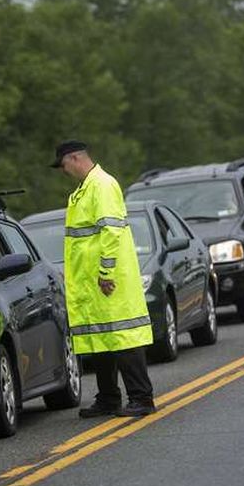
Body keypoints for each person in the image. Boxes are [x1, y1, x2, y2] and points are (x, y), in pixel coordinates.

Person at [52, 140, 157, 418]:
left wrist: (106, 272)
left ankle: (141, 398)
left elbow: (111, 232)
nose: (64, 172)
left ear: (74, 158)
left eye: (63, 166)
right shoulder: (85, 189)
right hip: (92, 282)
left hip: (108, 280)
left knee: (123, 337)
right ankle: (109, 397)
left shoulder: (102, 185)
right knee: (102, 339)